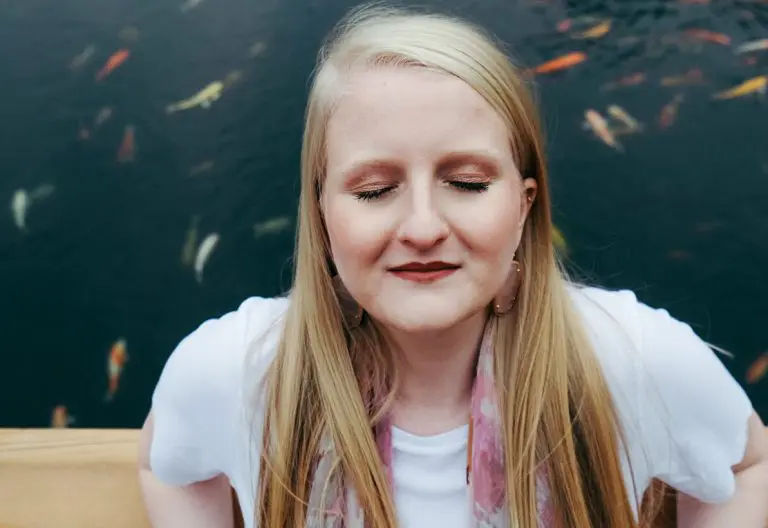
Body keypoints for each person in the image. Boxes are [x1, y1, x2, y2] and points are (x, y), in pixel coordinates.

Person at [138, 4, 768, 527]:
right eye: (374, 190)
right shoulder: (235, 372)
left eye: (465, 182)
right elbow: (162, 464)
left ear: (524, 208)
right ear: (321, 213)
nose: (421, 227)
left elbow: (750, 465)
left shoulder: (631, 360)